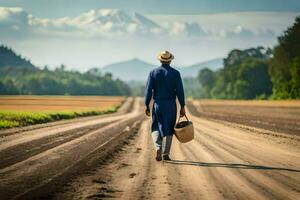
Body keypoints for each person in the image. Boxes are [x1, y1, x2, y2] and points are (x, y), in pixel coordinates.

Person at [144, 50, 186, 161]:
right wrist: (182, 106)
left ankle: (158, 147)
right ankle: (165, 153)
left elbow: (148, 91)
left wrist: (146, 105)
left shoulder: (153, 73)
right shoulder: (176, 74)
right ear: (170, 60)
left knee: (156, 126)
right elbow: (180, 92)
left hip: (157, 104)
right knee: (169, 128)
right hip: (170, 105)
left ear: (160, 60)